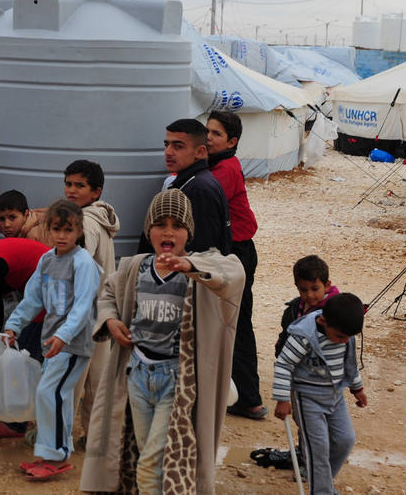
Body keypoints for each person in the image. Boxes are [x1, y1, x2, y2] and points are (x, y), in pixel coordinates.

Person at [82, 189, 246, 495]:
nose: (168, 232)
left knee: (150, 463)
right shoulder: (135, 267)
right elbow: (107, 292)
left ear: (189, 233)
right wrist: (111, 320)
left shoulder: (199, 270)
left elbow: (234, 273)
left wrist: (192, 267)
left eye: (177, 225)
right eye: (160, 224)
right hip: (137, 375)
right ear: (149, 230)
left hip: (175, 381)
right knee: (148, 454)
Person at [4, 199, 102, 479]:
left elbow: (83, 306)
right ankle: (56, 453)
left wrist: (63, 335)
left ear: (79, 231)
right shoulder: (47, 260)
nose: (62, 235)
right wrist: (13, 326)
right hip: (52, 342)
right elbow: (33, 298)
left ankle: (54, 457)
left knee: (49, 393)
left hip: (72, 343)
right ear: (48, 230)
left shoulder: (83, 263)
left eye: (68, 230)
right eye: (56, 229)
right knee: (59, 395)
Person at [273, 293, 367, 495]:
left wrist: (357, 388)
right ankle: (322, 490)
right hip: (307, 398)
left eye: (349, 337)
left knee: (346, 439)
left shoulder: (345, 333)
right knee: (318, 448)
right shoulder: (304, 335)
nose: (345, 342)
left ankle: (322, 482)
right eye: (340, 337)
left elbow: (350, 363)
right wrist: (282, 399)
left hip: (336, 396)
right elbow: (284, 364)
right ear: (323, 321)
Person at [205, 111, 266, 420]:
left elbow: (206, 201)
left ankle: (249, 399)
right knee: (231, 322)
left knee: (237, 324)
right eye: (207, 131)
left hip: (237, 251)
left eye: (216, 134)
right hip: (235, 249)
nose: (208, 138)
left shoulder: (224, 170)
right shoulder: (219, 165)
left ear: (231, 142)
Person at [63, 160, 119, 444]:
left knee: (70, 381)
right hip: (102, 312)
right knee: (97, 381)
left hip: (82, 314)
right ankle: (96, 437)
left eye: (80, 185)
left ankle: (59, 439)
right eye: (68, 184)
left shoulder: (85, 222)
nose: (71, 190)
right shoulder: (102, 217)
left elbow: (80, 263)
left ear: (96, 192)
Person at [0, 236, 51, 439]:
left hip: (44, 294)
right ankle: (29, 413)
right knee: (32, 357)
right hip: (40, 290)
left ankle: (16, 423)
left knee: (23, 357)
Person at [140, 118, 232, 256]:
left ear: (200, 152)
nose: (168, 152)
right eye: (167, 145)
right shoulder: (193, 181)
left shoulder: (198, 189)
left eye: (178, 146)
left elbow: (201, 251)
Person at [276, 255, 341, 357]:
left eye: (315, 289)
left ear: (327, 285)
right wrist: (280, 347)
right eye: (303, 290)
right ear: (297, 286)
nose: (309, 295)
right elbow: (285, 331)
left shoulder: (333, 312)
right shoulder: (294, 308)